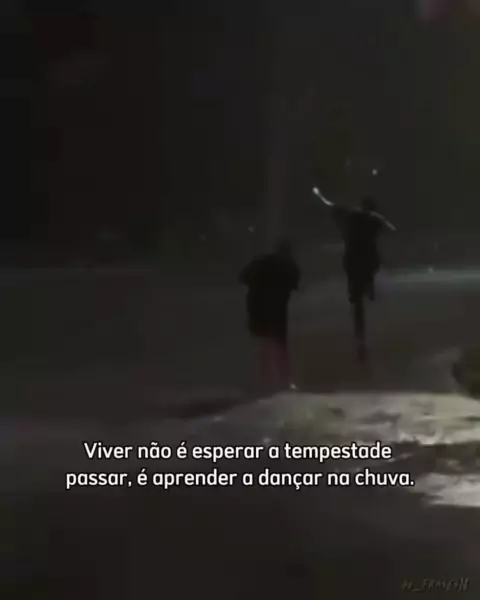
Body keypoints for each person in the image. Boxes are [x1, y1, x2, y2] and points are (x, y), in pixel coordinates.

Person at [313, 188, 395, 359]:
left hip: (353, 265)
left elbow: (335, 210)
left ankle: (360, 338)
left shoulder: (352, 218)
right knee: (366, 285)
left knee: (357, 304)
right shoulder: (374, 221)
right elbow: (386, 228)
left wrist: (327, 201)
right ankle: (369, 288)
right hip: (367, 263)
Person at [240, 239, 300, 391]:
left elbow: (243, 277)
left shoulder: (261, 262)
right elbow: (295, 284)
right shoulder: (288, 265)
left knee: (263, 343)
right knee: (279, 344)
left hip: (257, 308)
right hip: (275, 310)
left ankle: (263, 379)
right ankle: (282, 380)